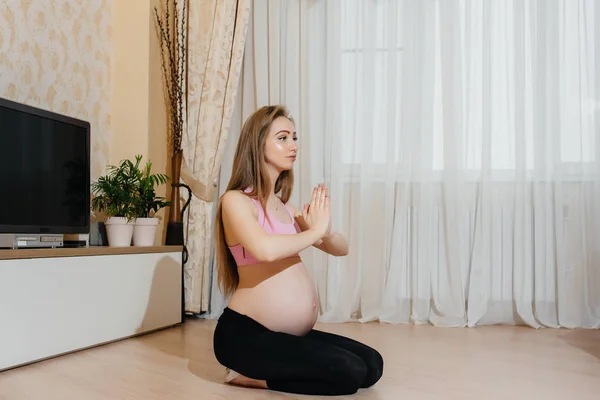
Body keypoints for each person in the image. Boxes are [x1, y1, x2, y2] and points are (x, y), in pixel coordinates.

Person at [212, 105, 384, 396]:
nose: (293, 146)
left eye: (294, 137)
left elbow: (341, 248)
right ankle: (248, 377)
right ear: (257, 144)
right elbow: (264, 250)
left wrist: (323, 230)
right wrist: (313, 232)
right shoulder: (235, 201)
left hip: (286, 336)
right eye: (282, 138)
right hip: (245, 336)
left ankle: (273, 368)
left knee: (372, 364)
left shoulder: (284, 207)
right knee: (350, 372)